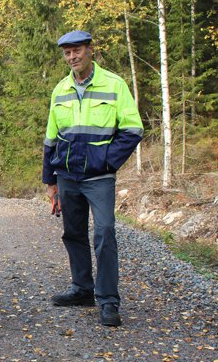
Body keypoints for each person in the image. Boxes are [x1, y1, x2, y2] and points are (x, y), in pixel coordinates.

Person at [42, 30, 143, 327]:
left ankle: (109, 300)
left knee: (105, 234)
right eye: (67, 53)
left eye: (77, 51)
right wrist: (50, 181)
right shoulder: (60, 90)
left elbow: (132, 129)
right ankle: (82, 289)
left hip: (99, 178)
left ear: (90, 50)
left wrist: (107, 161)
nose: (72, 57)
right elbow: (51, 139)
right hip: (67, 177)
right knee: (73, 234)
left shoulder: (114, 85)